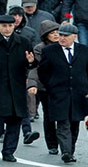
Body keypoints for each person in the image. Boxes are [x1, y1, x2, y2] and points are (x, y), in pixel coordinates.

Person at [0, 14, 37, 163]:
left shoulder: (23, 42)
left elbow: (30, 63)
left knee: (15, 122)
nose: (7, 29)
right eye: (4, 26)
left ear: (14, 26)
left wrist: (31, 62)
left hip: (16, 88)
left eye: (10, 26)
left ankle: (9, 151)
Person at [39, 23, 88, 164]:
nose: (62, 38)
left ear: (74, 37)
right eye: (61, 35)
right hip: (59, 93)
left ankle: (69, 150)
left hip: (79, 94)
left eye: (66, 36)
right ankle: (66, 151)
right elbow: (43, 71)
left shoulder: (84, 50)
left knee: (74, 123)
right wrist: (51, 85)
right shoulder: (49, 51)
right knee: (62, 122)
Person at [27, 20, 61, 154]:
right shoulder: (40, 48)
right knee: (49, 116)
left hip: (61, 86)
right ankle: (52, 144)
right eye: (52, 33)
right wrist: (33, 83)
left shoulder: (64, 45)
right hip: (45, 87)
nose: (56, 35)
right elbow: (37, 67)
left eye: (57, 32)